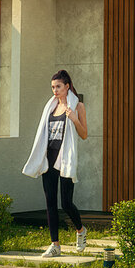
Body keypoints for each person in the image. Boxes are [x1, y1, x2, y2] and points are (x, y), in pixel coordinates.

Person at [21, 69, 87, 257]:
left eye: (58, 86)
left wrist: (74, 119)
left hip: (65, 159)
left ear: (67, 86)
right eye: (52, 87)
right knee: (50, 202)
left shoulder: (78, 106)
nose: (55, 90)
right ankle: (55, 245)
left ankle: (81, 230)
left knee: (66, 203)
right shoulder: (50, 107)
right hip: (48, 158)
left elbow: (84, 135)